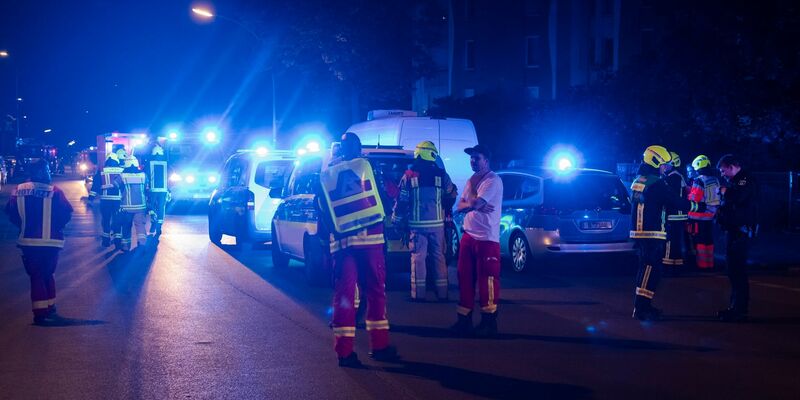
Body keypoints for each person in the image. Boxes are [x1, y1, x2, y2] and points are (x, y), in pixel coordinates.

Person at [318, 132, 397, 367]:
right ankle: (379, 346)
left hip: (342, 245)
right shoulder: (368, 167)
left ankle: (344, 352)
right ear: (359, 148)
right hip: (370, 241)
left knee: (344, 296)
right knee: (375, 292)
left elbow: (321, 207)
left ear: (340, 150)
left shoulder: (328, 174)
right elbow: (386, 197)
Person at [630, 146, 705, 321]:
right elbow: (675, 202)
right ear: (655, 162)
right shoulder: (657, 183)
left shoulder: (639, 180)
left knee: (646, 269)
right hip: (652, 232)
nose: (665, 168)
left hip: (641, 232)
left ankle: (644, 306)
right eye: (663, 164)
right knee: (651, 270)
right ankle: (641, 308)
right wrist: (699, 206)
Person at [4, 160, 73, 325]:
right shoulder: (54, 191)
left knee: (37, 276)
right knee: (47, 274)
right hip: (51, 242)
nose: (49, 173)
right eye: (47, 170)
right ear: (42, 172)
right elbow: (66, 213)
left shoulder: (18, 190)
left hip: (28, 242)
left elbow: (11, 213)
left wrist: (23, 226)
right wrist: (56, 227)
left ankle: (45, 311)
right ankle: (45, 312)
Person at [392, 140, 458, 302]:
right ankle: (442, 294)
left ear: (419, 154)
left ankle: (418, 294)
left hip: (417, 226)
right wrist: (442, 208)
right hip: (437, 226)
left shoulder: (409, 176)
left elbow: (402, 201)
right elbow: (451, 196)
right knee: (439, 257)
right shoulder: (442, 175)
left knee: (418, 258)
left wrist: (396, 220)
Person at [451, 144, 503, 337]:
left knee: (487, 280)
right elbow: (460, 206)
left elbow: (477, 202)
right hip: (469, 235)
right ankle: (464, 320)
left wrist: (472, 203)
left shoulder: (492, 180)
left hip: (486, 238)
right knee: (464, 278)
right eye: (471, 158)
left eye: (476, 158)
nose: (472, 161)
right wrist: (472, 204)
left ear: (486, 161)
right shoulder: (471, 180)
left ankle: (489, 322)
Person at [716, 154, 758, 322]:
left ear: (732, 167)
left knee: (737, 271)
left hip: (741, 231)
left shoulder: (745, 180)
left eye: (723, 170)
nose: (722, 174)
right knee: (733, 271)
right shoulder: (737, 181)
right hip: (734, 230)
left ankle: (739, 310)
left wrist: (726, 192)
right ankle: (735, 308)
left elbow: (740, 198)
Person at [687, 155, 721, 269]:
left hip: (698, 216)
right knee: (708, 240)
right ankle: (709, 264)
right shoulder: (715, 179)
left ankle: (701, 265)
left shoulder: (699, 180)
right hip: (710, 216)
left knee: (699, 240)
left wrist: (687, 194)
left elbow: (695, 198)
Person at [88, 152, 123, 247]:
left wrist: (90, 198)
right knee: (117, 219)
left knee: (106, 220)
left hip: (105, 200)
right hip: (118, 201)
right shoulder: (121, 171)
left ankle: (106, 240)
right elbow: (124, 186)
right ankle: (117, 240)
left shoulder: (102, 171)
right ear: (116, 161)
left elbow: (95, 186)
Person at [114, 155, 148, 252]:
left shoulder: (122, 176)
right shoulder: (143, 175)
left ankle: (126, 246)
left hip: (127, 207)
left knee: (126, 226)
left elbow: (115, 185)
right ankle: (142, 243)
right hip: (141, 206)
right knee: (140, 225)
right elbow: (146, 188)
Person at [662, 152, 688, 270]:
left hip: (673, 214)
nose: (663, 166)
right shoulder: (677, 176)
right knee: (675, 242)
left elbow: (670, 197)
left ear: (673, 164)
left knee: (670, 241)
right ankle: (676, 266)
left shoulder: (673, 178)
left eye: (666, 163)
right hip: (677, 214)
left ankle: (668, 266)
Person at [145, 143, 170, 241]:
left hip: (153, 190)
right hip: (163, 190)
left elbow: (146, 176)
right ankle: (159, 227)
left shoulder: (150, 163)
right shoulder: (166, 163)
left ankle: (153, 222)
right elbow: (170, 177)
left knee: (151, 207)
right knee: (161, 208)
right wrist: (169, 189)